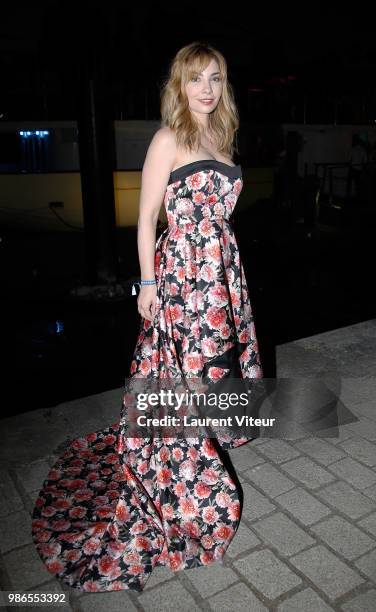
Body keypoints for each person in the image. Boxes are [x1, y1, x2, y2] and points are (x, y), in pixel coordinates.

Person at [31, 41, 263, 593]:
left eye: (215, 78)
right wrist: (148, 283)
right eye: (195, 79)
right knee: (183, 376)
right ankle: (193, 487)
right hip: (183, 276)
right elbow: (144, 222)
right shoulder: (168, 138)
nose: (205, 89)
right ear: (178, 86)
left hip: (222, 273)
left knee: (211, 369)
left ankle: (201, 445)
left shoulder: (221, 137)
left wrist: (227, 274)